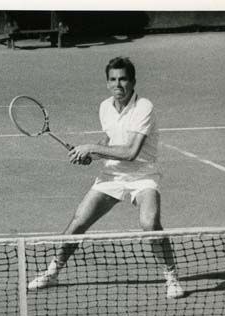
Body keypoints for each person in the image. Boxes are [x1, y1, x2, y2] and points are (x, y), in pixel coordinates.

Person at [28, 56, 185, 299]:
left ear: (133, 82)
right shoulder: (105, 107)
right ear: (107, 83)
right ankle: (53, 272)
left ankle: (171, 276)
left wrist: (91, 147)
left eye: (123, 79)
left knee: (149, 224)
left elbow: (131, 152)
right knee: (79, 221)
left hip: (143, 175)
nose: (118, 85)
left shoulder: (144, 107)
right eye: (113, 80)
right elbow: (110, 140)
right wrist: (92, 155)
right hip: (112, 175)